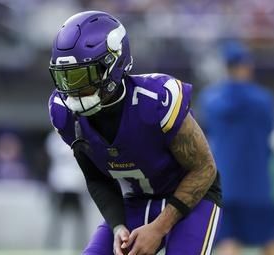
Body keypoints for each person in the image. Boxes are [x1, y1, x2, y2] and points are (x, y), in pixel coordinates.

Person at [48, 11, 222, 255]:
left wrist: (158, 228)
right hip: (137, 200)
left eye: (82, 76)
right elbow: (97, 178)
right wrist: (118, 226)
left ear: (113, 64)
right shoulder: (64, 113)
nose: (74, 89)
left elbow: (204, 169)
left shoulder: (156, 100)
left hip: (192, 199)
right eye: (65, 78)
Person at [197, 41, 274, 255]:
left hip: (224, 184)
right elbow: (272, 138)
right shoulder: (264, 100)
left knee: (227, 242)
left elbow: (204, 139)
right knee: (270, 240)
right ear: (246, 66)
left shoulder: (210, 99)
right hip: (258, 185)